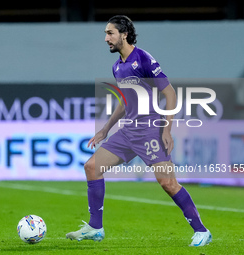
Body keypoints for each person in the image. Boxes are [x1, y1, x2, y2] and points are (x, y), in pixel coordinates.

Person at [66, 15, 212, 247]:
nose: (106, 38)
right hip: (128, 132)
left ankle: (201, 230)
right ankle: (95, 227)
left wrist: (166, 128)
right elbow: (125, 101)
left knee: (167, 183)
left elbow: (170, 93)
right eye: (105, 33)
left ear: (124, 34)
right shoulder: (117, 66)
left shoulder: (142, 58)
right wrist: (105, 129)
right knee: (92, 167)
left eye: (110, 33)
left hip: (150, 131)